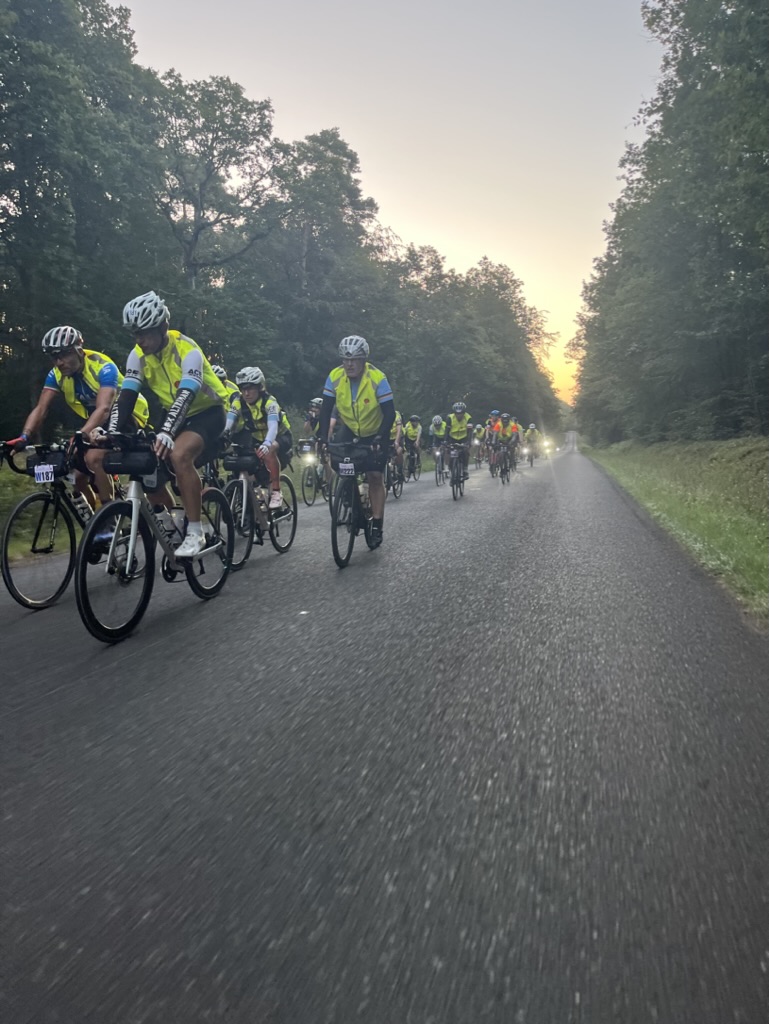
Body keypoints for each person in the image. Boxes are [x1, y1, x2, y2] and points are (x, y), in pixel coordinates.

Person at [114, 290, 229, 558]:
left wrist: (167, 431)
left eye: (145, 333)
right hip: (175, 413)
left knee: (179, 455)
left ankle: (196, 532)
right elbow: (127, 396)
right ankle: (172, 524)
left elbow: (186, 394)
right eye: (135, 334)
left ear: (162, 327)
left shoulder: (188, 350)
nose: (139, 340)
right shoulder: (137, 355)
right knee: (145, 464)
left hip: (208, 412)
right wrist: (110, 431)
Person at [5, 325, 150, 507]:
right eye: (54, 357)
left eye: (64, 355)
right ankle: (92, 518)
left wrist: (79, 436)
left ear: (79, 351)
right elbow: (41, 408)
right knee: (77, 475)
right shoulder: (56, 374)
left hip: (126, 415)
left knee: (93, 458)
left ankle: (110, 516)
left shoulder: (103, 366)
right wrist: (24, 437)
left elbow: (104, 408)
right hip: (99, 421)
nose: (59, 362)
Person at [319, 335, 395, 548]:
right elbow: (326, 410)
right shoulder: (335, 376)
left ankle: (377, 524)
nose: (349, 364)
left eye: (354, 360)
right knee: (340, 462)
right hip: (351, 429)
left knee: (374, 475)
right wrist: (322, 437)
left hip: (376, 431)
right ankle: (350, 494)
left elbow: (389, 413)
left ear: (363, 360)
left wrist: (380, 438)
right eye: (345, 359)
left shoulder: (377, 378)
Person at [223, 367, 293, 508]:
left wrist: (267, 443)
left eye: (250, 388)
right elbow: (230, 420)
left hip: (280, 437)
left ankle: (276, 492)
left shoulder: (270, 402)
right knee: (246, 465)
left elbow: (273, 427)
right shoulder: (238, 401)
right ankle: (255, 497)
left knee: (270, 450)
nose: (246, 393)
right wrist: (223, 435)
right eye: (243, 389)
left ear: (260, 387)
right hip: (257, 438)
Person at [445, 401, 473, 480]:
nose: (459, 415)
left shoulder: (468, 418)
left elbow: (470, 431)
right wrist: (445, 441)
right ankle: (450, 468)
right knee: (449, 452)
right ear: (454, 413)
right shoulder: (450, 418)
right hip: (452, 438)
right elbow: (447, 431)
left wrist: (469, 442)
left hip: (464, 438)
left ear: (464, 413)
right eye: (457, 414)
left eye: (461, 413)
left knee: (465, 452)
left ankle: (465, 469)